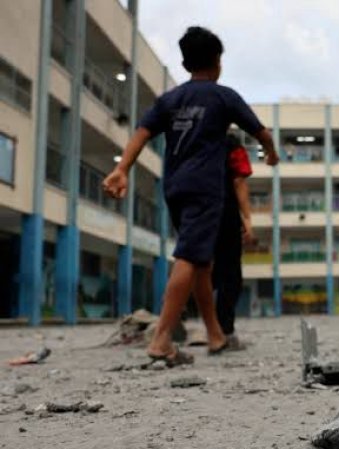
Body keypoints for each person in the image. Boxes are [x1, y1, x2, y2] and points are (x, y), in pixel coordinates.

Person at [102, 26, 279, 366]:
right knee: (189, 256)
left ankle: (215, 334)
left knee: (200, 260)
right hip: (205, 188)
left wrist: (122, 168)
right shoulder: (223, 96)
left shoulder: (170, 100)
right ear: (217, 61)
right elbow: (261, 132)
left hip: (175, 188)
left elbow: (142, 132)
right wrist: (270, 153)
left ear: (184, 64)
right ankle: (161, 339)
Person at [212, 134, 254, 350]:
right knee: (230, 275)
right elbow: (238, 180)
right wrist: (246, 218)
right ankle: (224, 333)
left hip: (190, 207)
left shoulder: (192, 138)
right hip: (222, 210)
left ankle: (169, 325)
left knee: (195, 268)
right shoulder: (230, 142)